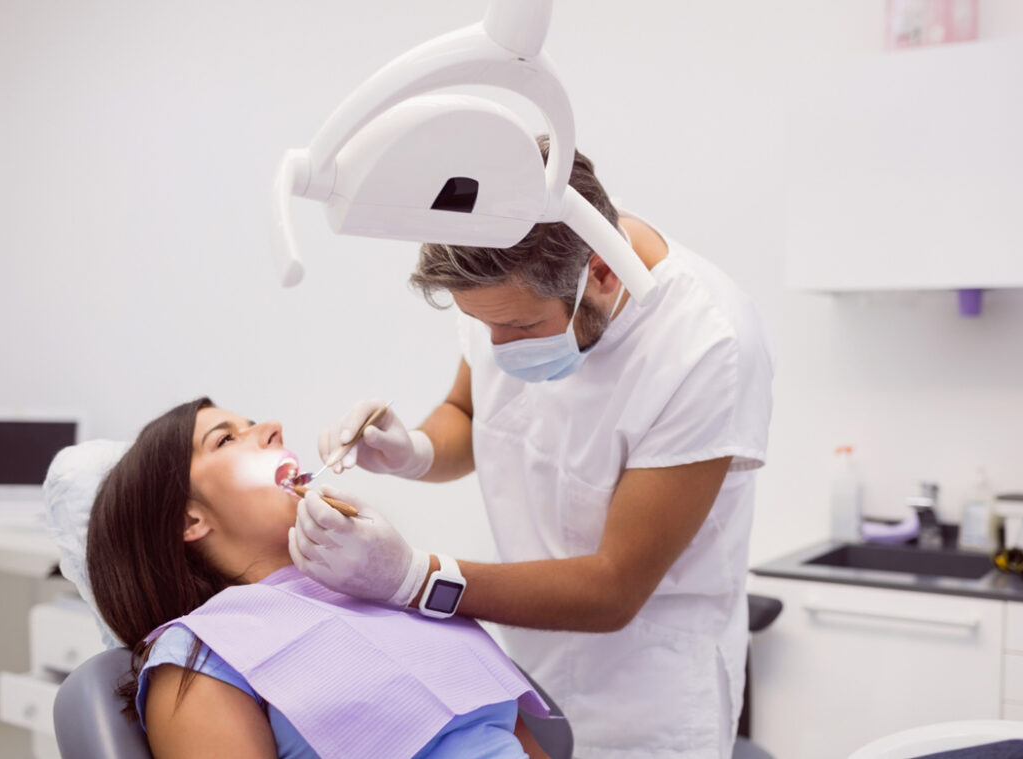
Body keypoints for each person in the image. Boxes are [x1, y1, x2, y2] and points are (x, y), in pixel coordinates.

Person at [293, 136, 774, 757]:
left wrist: (415, 579)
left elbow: (612, 588)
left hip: (649, 693)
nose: (497, 347)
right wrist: (413, 448)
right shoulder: (506, 257)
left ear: (600, 271)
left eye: (518, 328)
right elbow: (470, 414)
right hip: (528, 666)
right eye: (482, 323)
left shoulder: (706, 344)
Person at [85, 397, 551, 759]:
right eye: (225, 440)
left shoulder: (386, 587)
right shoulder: (201, 657)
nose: (272, 428)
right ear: (189, 521)